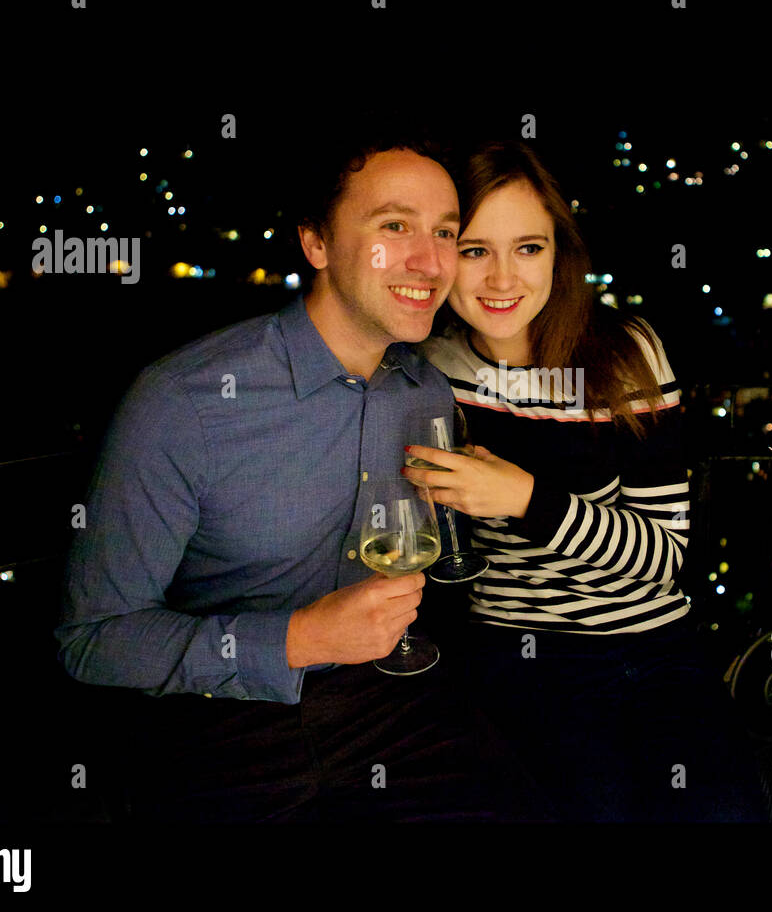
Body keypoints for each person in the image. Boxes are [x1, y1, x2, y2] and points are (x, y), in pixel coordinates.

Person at [55, 125, 545, 822]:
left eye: (443, 232)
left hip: (393, 703)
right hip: (219, 725)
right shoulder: (182, 400)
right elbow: (92, 639)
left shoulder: (425, 392)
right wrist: (298, 638)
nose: (428, 261)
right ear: (316, 244)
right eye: (394, 226)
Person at [410, 140, 767, 821]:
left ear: (559, 253)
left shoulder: (623, 355)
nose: (501, 278)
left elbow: (665, 558)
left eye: (529, 247)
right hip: (519, 656)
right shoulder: (430, 368)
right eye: (475, 249)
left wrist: (525, 499)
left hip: (655, 651)